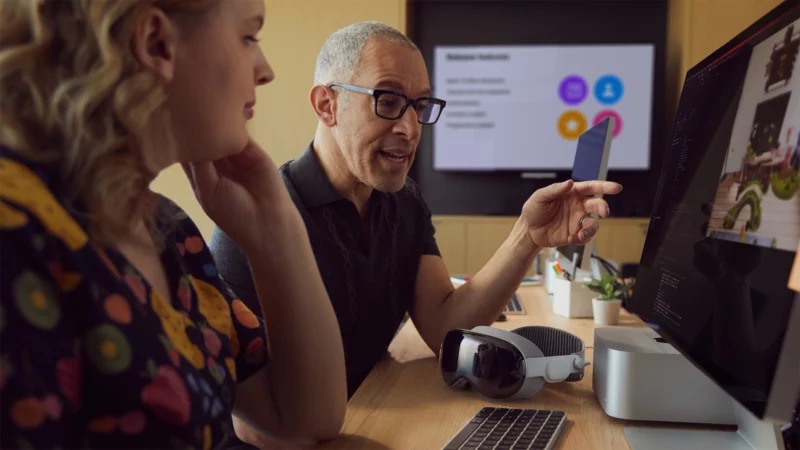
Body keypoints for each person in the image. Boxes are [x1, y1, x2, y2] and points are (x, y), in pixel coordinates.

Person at [210, 20, 621, 447]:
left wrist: (527, 237)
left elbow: (445, 326)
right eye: (388, 101)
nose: (410, 127)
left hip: (367, 417)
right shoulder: (252, 221)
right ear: (326, 105)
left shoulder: (404, 202)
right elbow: (256, 427)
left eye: (420, 106)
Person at [0, 0, 347, 448]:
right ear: (156, 43)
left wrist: (275, 228)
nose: (264, 71)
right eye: (249, 36)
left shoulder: (170, 232)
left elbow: (305, 420)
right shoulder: (15, 235)